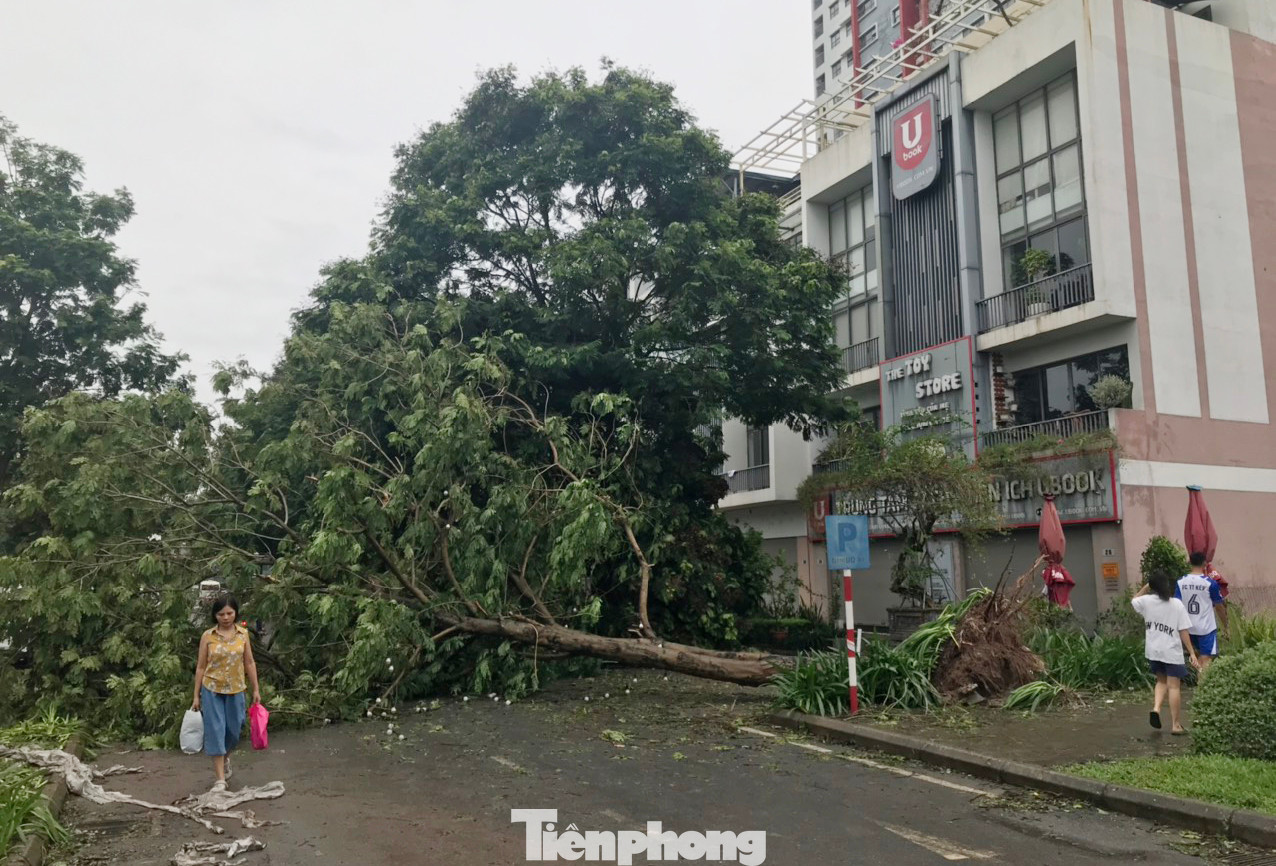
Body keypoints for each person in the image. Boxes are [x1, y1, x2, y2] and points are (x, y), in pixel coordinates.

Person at [191, 595, 261, 791]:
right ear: (215, 615)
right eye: (221, 614)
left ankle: (226, 758)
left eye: (230, 613)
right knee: (215, 731)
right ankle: (220, 779)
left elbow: (249, 662)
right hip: (211, 689)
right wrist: (196, 696)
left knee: (234, 729)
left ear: (236, 613)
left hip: (237, 689)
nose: (226, 617)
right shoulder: (208, 636)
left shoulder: (243, 634)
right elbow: (200, 667)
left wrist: (256, 689)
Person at [1132, 570, 1201, 735]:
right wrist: (1191, 652)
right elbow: (1183, 630)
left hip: (1153, 651)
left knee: (1160, 681)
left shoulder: (1146, 601)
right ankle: (1176, 725)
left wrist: (1147, 586)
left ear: (1153, 586)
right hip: (1171, 652)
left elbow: (1134, 599)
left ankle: (1156, 708)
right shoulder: (1176, 604)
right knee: (1174, 686)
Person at [1175, 552, 1229, 674]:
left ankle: (1200, 685)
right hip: (1206, 629)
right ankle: (1203, 690)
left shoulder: (1180, 582)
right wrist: (1225, 625)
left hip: (1187, 628)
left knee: (1200, 661)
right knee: (1206, 661)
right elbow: (1219, 606)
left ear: (1190, 562)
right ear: (1205, 564)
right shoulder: (1210, 583)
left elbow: (1176, 604)